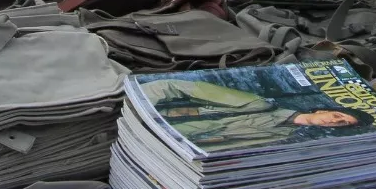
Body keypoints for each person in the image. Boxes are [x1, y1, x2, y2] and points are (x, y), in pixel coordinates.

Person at [137, 77, 362, 150]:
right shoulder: (261, 103)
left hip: (167, 143)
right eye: (339, 115)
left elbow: (222, 146)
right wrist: (139, 105)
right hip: (145, 116)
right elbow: (172, 86)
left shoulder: (282, 137)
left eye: (342, 124)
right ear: (322, 110)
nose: (337, 121)